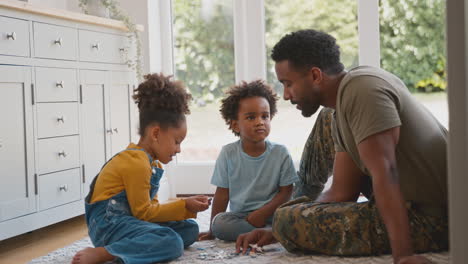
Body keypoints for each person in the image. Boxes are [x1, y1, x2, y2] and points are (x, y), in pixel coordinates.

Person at [236, 29, 448, 264]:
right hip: (411, 201)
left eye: (288, 84)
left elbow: (386, 172)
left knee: (286, 219)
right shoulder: (342, 101)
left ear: (316, 76)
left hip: (437, 218)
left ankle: (289, 216)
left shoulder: (363, 91)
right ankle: (294, 209)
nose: (286, 95)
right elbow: (342, 192)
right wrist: (281, 229)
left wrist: (404, 256)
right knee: (285, 219)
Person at [72, 73, 210, 264]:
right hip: (108, 226)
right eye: (176, 142)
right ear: (155, 133)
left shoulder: (150, 163)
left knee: (189, 229)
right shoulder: (136, 162)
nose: (178, 150)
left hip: (129, 221)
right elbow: (144, 214)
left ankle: (136, 245)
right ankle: (107, 253)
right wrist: (184, 205)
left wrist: (185, 205)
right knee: (171, 241)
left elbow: (150, 210)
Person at [198, 80, 299, 242]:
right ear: (235, 125)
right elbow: (222, 195)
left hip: (275, 213)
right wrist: (212, 230)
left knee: (294, 218)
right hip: (243, 217)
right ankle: (271, 233)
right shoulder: (228, 153)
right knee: (220, 224)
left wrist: (263, 213)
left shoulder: (281, 153)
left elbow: (287, 192)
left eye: (264, 116)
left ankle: (271, 231)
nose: (260, 122)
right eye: (251, 117)